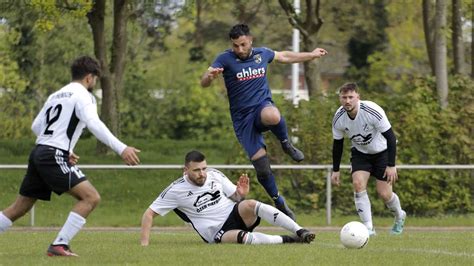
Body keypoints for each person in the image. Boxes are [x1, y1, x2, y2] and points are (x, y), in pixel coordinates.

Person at [0, 56, 141, 256]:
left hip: (39, 151)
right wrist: (122, 148)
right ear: (90, 78)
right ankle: (60, 244)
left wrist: (64, 148)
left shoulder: (55, 95)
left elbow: (36, 126)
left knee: (19, 207)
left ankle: (59, 245)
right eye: (95, 79)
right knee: (90, 197)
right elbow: (94, 124)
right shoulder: (83, 95)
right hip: (52, 154)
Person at [200, 24, 328, 220]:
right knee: (262, 167)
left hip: (261, 107)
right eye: (236, 46)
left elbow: (285, 56)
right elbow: (204, 81)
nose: (240, 50)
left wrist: (311, 55)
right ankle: (278, 201)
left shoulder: (263, 54)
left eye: (243, 44)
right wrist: (209, 77)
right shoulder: (224, 58)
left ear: (251, 39)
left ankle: (286, 144)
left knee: (273, 115)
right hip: (242, 120)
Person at [140, 150, 315, 246]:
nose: (202, 174)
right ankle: (291, 240)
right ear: (185, 170)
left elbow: (236, 197)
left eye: (204, 168)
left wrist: (241, 193)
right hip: (216, 231)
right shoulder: (175, 190)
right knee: (243, 238)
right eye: (197, 170)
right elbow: (149, 214)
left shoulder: (214, 174)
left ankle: (300, 231)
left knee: (250, 203)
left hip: (234, 213)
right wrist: (144, 245)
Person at [331, 82, 406, 236]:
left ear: (358, 97)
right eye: (344, 97)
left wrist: (391, 165)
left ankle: (399, 216)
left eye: (351, 97)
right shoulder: (338, 118)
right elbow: (337, 144)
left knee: (384, 194)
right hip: (360, 153)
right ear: (340, 98)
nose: (347, 101)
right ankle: (368, 228)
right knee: (358, 184)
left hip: (382, 152)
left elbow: (391, 138)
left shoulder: (372, 111)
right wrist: (335, 170)